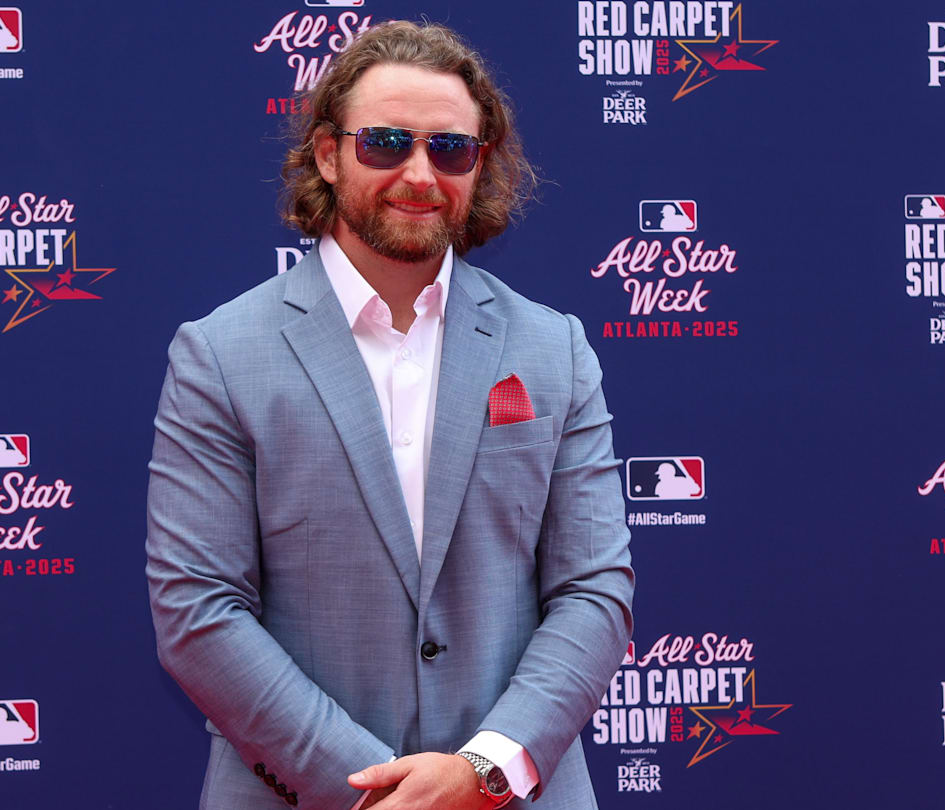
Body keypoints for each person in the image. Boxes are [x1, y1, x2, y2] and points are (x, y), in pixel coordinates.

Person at [146, 21, 633, 809]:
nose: (419, 173)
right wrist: (379, 792)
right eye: (384, 143)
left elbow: (594, 591)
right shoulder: (220, 354)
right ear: (329, 155)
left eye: (450, 150)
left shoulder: (556, 349)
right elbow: (198, 614)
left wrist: (482, 773)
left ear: (481, 166)